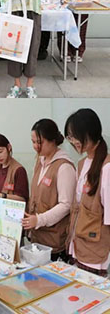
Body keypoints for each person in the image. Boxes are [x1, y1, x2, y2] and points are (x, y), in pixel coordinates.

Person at [22, 119, 76, 261]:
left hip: (54, 241)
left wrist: (40, 219)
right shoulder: (40, 161)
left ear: (52, 140)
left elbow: (66, 205)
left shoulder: (64, 167)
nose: (35, 146)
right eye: (33, 142)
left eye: (39, 142)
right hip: (38, 238)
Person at [65, 109, 110, 277]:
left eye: (75, 136)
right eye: (70, 137)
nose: (73, 141)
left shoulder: (107, 167)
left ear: (90, 133)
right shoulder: (82, 163)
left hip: (95, 253)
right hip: (77, 247)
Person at [0, 134, 29, 202]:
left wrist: (1, 195)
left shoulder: (19, 170)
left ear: (9, 147)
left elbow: (22, 199)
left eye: (0, 152)